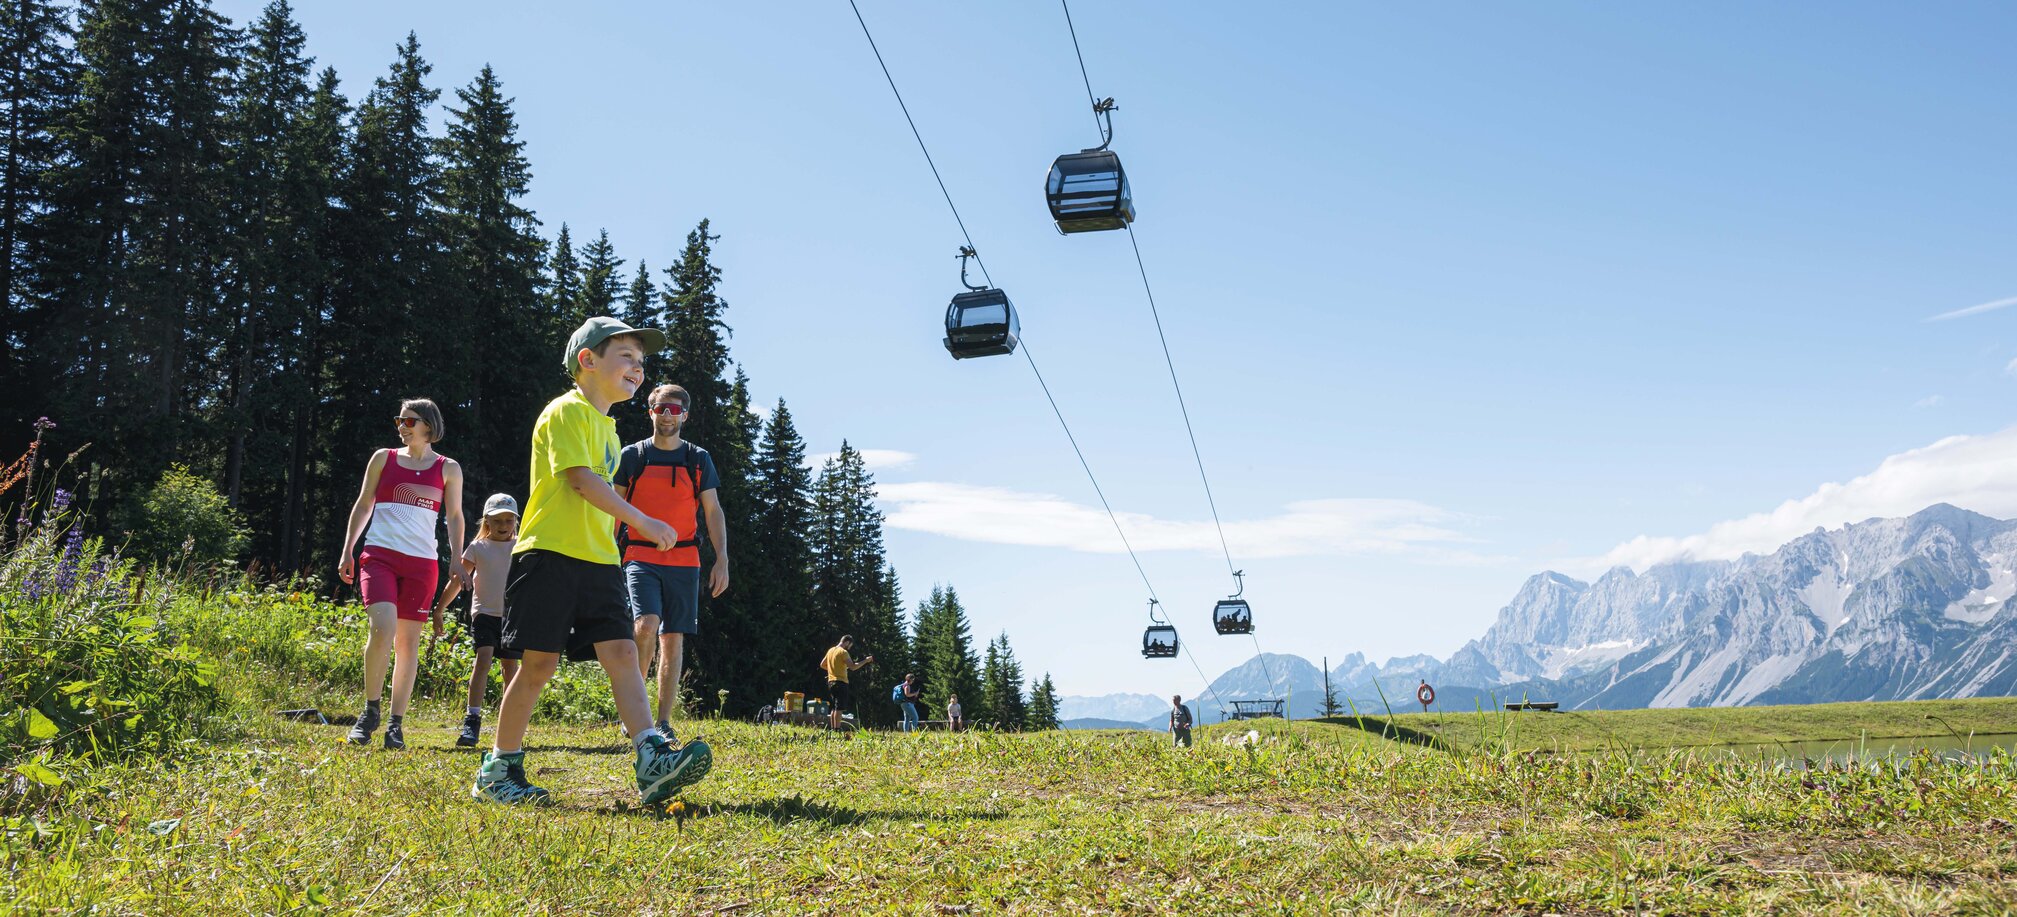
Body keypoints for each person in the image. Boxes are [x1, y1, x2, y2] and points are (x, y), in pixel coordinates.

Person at [470, 316, 712, 806]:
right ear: (588, 361)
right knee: (537, 665)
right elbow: (581, 480)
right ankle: (499, 768)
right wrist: (641, 521)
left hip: (600, 560)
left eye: (641, 362)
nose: (638, 368)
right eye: (626, 357)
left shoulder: (607, 428)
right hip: (549, 554)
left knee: (624, 654)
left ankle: (651, 758)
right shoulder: (566, 411)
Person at [337, 398, 464, 751]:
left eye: (408, 421)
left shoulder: (448, 468)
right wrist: (348, 548)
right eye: (399, 420)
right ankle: (370, 711)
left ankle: (396, 724)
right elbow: (364, 503)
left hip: (422, 563)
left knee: (408, 644)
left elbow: (454, 516)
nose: (401, 426)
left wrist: (456, 557)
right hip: (379, 556)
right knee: (383, 627)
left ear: (428, 425)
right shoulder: (384, 458)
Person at [612, 383, 728, 733]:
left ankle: (662, 721)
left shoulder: (698, 458)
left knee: (672, 637)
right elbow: (614, 509)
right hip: (639, 555)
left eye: (674, 409)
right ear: (650, 412)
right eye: (661, 408)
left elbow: (712, 510)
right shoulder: (632, 456)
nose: (667, 415)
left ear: (685, 415)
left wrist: (722, 557)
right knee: (645, 625)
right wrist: (603, 552)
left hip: (685, 559)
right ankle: (635, 712)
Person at [432, 493, 523, 747]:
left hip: (512, 616)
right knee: (483, 658)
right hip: (484, 613)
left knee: (510, 668)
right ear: (486, 522)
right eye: (497, 521)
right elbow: (457, 581)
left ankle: (510, 722)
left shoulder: (521, 545)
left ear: (515, 521)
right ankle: (472, 720)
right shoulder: (478, 547)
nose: (503, 526)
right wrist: (439, 609)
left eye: (508, 520)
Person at [820, 635, 873, 730]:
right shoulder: (843, 652)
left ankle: (833, 728)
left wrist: (834, 670)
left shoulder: (831, 650)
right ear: (847, 642)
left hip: (831, 681)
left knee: (834, 707)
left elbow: (822, 664)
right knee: (839, 708)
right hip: (841, 682)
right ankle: (837, 729)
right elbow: (853, 667)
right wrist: (866, 661)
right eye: (850, 645)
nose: (849, 647)